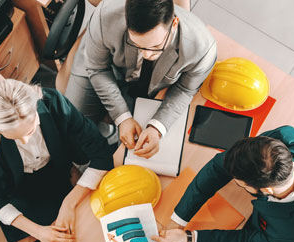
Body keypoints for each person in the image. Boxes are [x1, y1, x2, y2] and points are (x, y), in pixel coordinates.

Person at [0, 79, 115, 242]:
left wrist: (69, 203)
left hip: (52, 172)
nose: (26, 141)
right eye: (14, 137)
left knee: (84, 221)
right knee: (62, 238)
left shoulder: (53, 102)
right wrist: (38, 232)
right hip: (11, 188)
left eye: (30, 130)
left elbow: (101, 152)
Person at [154, 126, 294, 242]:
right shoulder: (282, 140)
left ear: (264, 190)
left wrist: (187, 238)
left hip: (281, 237)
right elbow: (218, 167)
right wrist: (178, 220)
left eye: (240, 184)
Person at [66, 0, 216, 159]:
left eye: (155, 47)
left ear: (174, 24)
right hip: (103, 68)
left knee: (136, 151)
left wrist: (157, 128)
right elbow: (97, 68)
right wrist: (122, 117)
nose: (146, 55)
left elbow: (185, 90)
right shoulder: (105, 16)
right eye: (137, 44)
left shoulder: (202, 49)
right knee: (71, 128)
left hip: (152, 84)